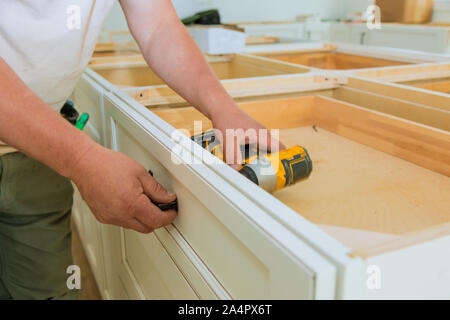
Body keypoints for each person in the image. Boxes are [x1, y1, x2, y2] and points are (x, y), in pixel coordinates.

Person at [0, 0, 280, 300]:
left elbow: (158, 24)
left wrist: (223, 107)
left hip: (40, 148)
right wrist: (80, 158)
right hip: (56, 146)